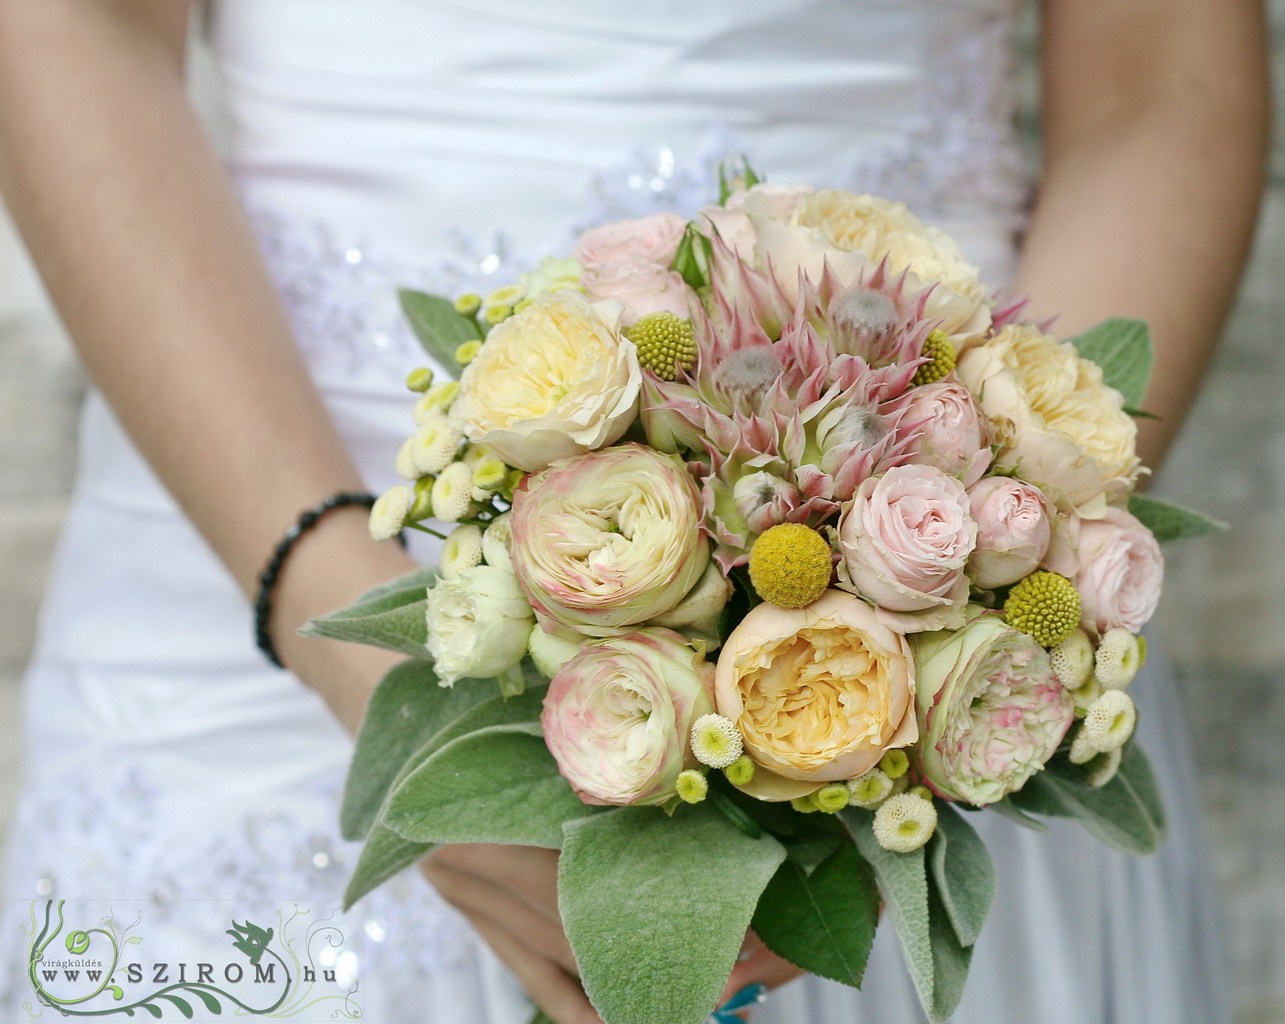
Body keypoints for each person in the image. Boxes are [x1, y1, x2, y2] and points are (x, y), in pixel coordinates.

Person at [0, 1, 1268, 1022]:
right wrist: (354, 641)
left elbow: (1162, 83)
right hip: (262, 494)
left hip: (929, 576)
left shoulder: (967, 564)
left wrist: (1009, 533)